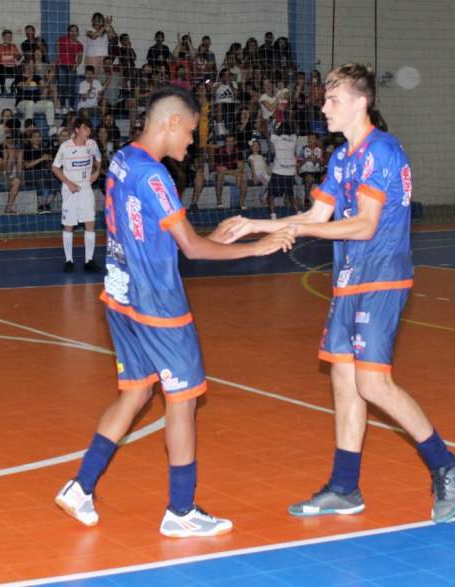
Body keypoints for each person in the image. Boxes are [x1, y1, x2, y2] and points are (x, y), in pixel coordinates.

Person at [219, 63, 455, 524]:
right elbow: (317, 217)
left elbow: (364, 224)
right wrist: (257, 223)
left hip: (381, 277)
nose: (324, 107)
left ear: (360, 102)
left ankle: (445, 463)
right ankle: (344, 487)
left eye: (333, 100)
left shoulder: (383, 151)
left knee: (372, 382)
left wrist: (294, 228)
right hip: (348, 277)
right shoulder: (341, 159)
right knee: (343, 380)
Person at [55, 85, 294, 536]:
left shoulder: (123, 159)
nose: (192, 141)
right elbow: (190, 248)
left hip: (121, 298)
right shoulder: (155, 176)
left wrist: (216, 239)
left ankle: (80, 486)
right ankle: (181, 512)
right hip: (159, 306)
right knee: (182, 402)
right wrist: (255, 248)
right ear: (169, 123)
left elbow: (163, 237)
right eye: (190, 130)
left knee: (135, 393)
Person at [51, 116, 101, 272]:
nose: (88, 131)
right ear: (77, 130)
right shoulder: (65, 147)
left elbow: (98, 159)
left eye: (89, 128)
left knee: (90, 223)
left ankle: (89, 261)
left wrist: (97, 172)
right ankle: (69, 260)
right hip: (70, 190)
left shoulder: (92, 144)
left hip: (86, 188)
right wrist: (69, 183)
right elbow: (55, 168)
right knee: (69, 225)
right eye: (85, 128)